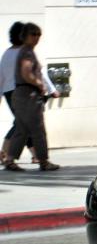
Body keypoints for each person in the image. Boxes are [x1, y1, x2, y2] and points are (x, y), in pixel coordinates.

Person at [0, 22, 59, 165]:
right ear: (24, 35)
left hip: (10, 92)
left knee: (21, 125)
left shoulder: (8, 53)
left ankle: (13, 157)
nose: (37, 37)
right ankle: (40, 159)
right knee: (34, 126)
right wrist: (48, 88)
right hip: (27, 91)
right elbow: (36, 73)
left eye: (38, 34)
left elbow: (1, 75)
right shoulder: (26, 52)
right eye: (33, 34)